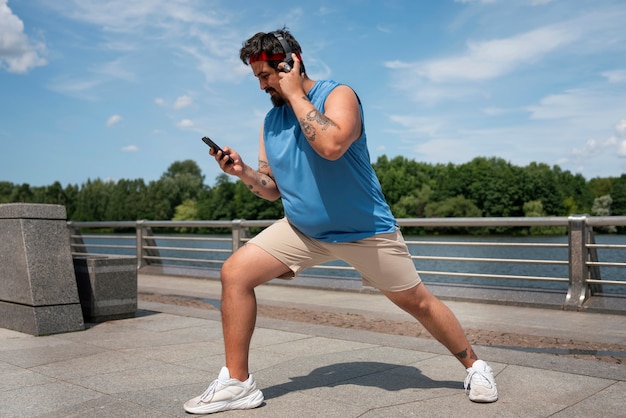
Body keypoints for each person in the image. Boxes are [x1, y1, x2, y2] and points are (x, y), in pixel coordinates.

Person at [183, 28, 498, 415]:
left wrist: (297, 93)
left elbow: (331, 146)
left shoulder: (338, 95)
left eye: (266, 75)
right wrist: (244, 172)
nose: (262, 85)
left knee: (418, 302)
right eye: (258, 78)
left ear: (290, 62)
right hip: (303, 230)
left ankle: (476, 366)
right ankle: (237, 383)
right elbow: (272, 188)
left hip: (364, 230)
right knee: (235, 273)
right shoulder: (271, 122)